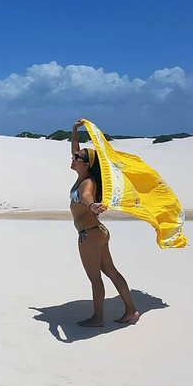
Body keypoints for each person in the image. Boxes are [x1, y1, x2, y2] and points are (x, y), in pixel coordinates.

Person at [70, 119, 139, 326]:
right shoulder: (83, 175)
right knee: (111, 271)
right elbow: (76, 150)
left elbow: (87, 197)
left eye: (77, 157)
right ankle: (131, 311)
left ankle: (98, 318)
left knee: (95, 278)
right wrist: (75, 131)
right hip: (98, 231)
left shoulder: (87, 183)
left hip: (89, 234)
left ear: (86, 164)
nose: (73, 158)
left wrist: (91, 206)